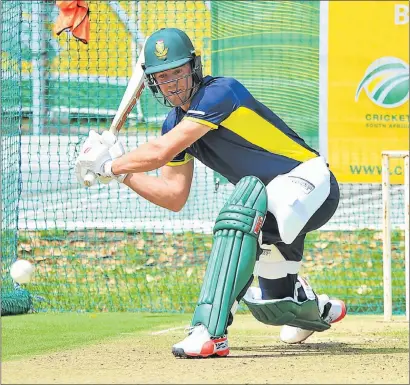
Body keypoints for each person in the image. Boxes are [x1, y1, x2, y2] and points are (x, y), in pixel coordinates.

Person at [75, 27, 346, 359]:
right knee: (272, 306)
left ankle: (209, 332)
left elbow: (160, 151)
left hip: (310, 182)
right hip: (274, 201)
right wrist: (124, 174)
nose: (173, 83)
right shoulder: (173, 125)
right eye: (163, 76)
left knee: (240, 217)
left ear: (194, 68)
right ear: (153, 83)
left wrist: (111, 164)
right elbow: (174, 195)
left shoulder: (220, 93)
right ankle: (312, 309)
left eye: (178, 72)